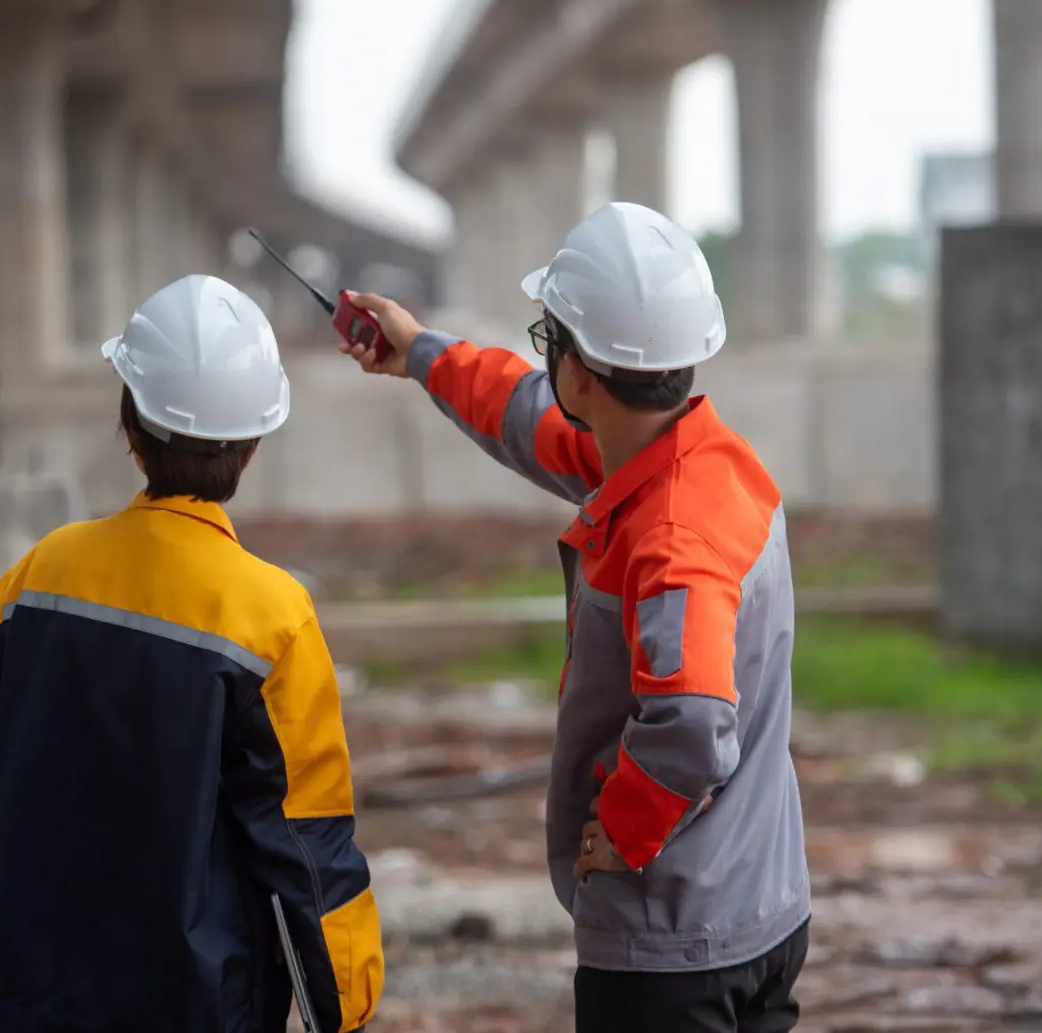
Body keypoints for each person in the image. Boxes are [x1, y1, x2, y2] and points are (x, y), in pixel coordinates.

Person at [340, 202, 810, 1033]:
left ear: (585, 374)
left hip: (675, 946)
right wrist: (418, 351)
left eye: (549, 340)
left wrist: (622, 827)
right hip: (761, 904)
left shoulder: (668, 535)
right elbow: (523, 415)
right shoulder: (700, 466)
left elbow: (696, 722)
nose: (543, 361)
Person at [0, 274, 384, 1033]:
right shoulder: (270, 613)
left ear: (129, 426)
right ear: (254, 441)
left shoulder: (45, 571)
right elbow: (304, 835)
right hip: (202, 996)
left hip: (41, 984)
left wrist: (54, 836)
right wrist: (345, 1004)